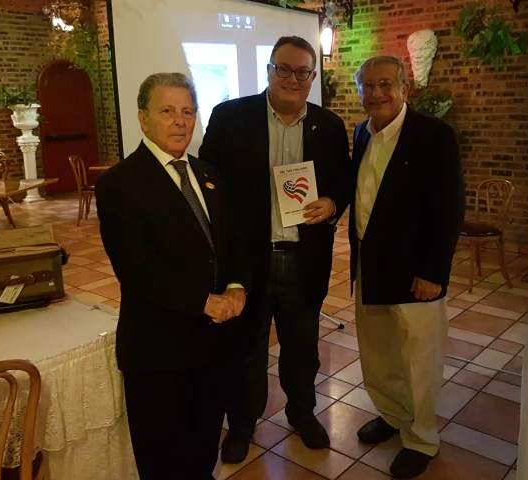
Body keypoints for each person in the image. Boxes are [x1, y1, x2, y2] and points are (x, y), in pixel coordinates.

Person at [199, 36, 352, 463]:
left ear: (312, 77)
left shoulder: (329, 126)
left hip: (304, 259)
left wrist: (332, 203)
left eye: (302, 72)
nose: (292, 79)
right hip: (249, 262)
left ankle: (302, 413)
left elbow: (343, 181)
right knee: (246, 351)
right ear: (269, 70)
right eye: (283, 69)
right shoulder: (230, 117)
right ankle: (242, 424)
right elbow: (209, 183)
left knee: (302, 350)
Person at [96, 72, 249, 480]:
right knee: (163, 462)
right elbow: (136, 266)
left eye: (188, 111)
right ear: (143, 119)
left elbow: (232, 240)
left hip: (211, 347)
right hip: (158, 353)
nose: (180, 122)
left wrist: (236, 286)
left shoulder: (208, 174)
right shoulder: (119, 184)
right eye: (167, 111)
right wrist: (203, 301)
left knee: (202, 451)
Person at [349, 56, 465, 479]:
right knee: (378, 353)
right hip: (371, 266)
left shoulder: (434, 136)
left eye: (385, 84)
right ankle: (394, 415)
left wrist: (433, 272)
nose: (376, 93)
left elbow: (449, 208)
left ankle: (421, 438)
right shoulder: (362, 132)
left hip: (416, 273)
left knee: (419, 360)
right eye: (368, 86)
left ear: (404, 89)